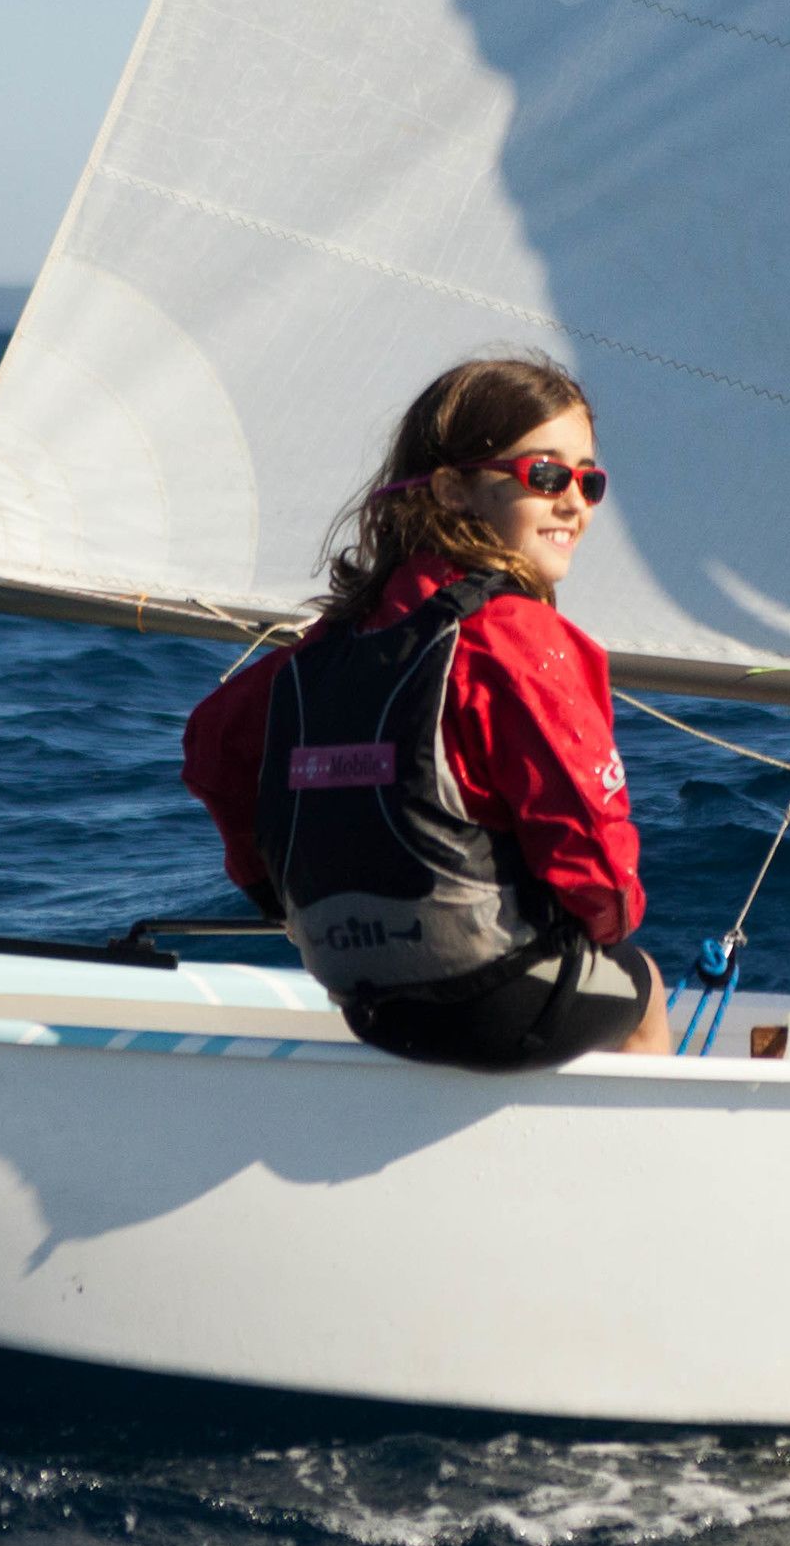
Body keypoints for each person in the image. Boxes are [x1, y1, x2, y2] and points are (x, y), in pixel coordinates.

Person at [180, 354, 669, 1069]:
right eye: (545, 474)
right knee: (643, 986)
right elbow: (589, 847)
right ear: (452, 488)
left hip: (365, 998)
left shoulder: (326, 649)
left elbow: (211, 750)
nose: (575, 501)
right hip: (493, 997)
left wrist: (272, 893)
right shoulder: (518, 636)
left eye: (589, 480)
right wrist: (609, 922)